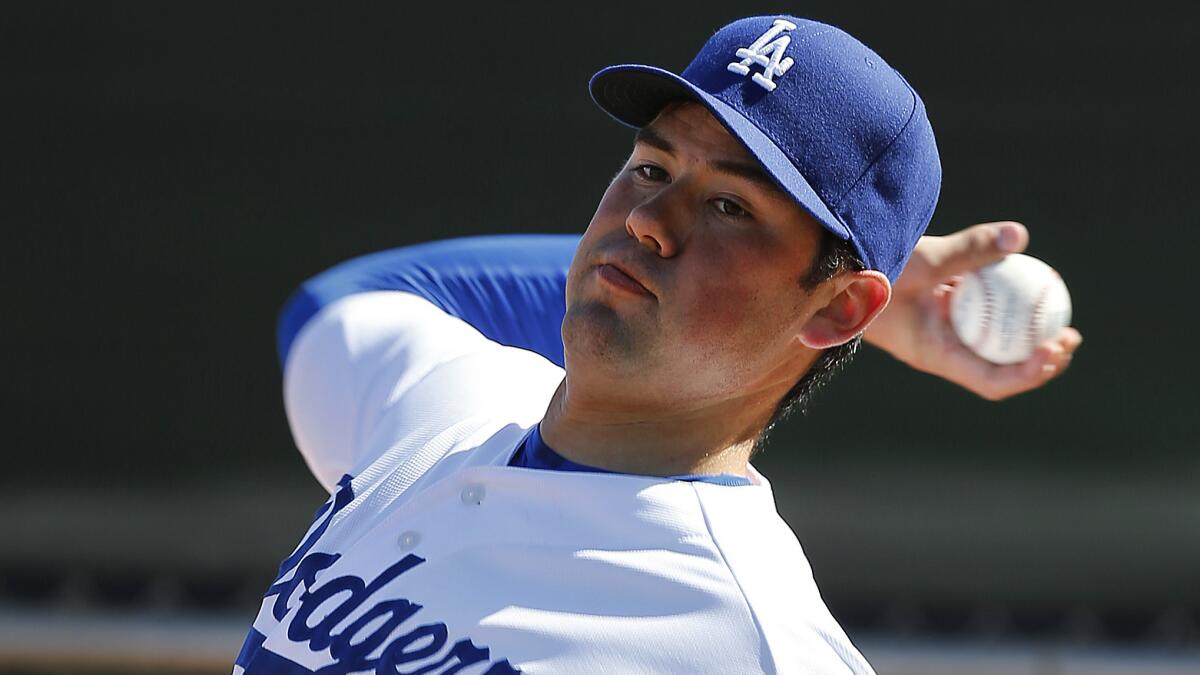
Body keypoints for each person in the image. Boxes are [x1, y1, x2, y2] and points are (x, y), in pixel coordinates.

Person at [235, 15, 1081, 675]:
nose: (648, 221)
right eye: (652, 168)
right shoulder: (448, 408)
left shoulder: (749, 644)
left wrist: (829, 314)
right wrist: (841, 317)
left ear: (839, 310)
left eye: (730, 208)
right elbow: (343, 303)